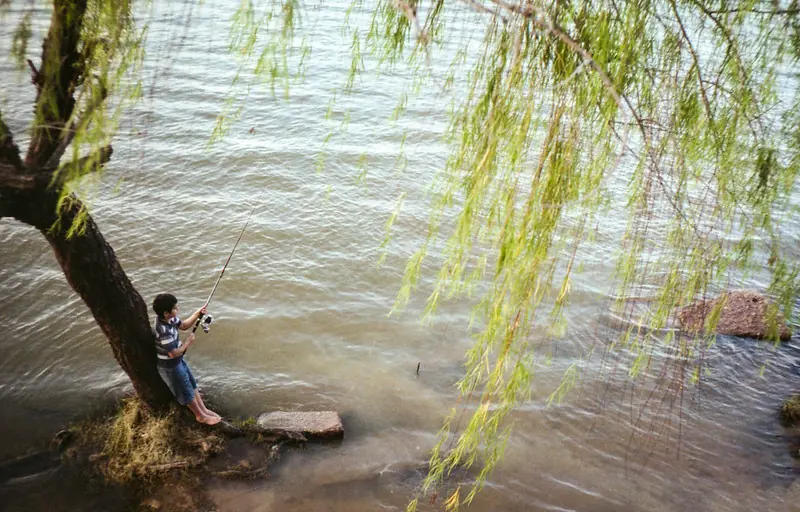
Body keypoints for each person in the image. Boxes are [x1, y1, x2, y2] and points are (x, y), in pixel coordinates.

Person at [152, 293, 221, 425]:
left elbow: (184, 325)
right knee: (185, 390)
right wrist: (187, 343)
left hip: (178, 361)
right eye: (175, 308)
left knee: (191, 384)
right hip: (170, 366)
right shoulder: (163, 331)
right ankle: (200, 415)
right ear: (166, 313)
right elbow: (173, 353)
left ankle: (204, 409)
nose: (177, 309)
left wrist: (197, 313)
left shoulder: (170, 319)